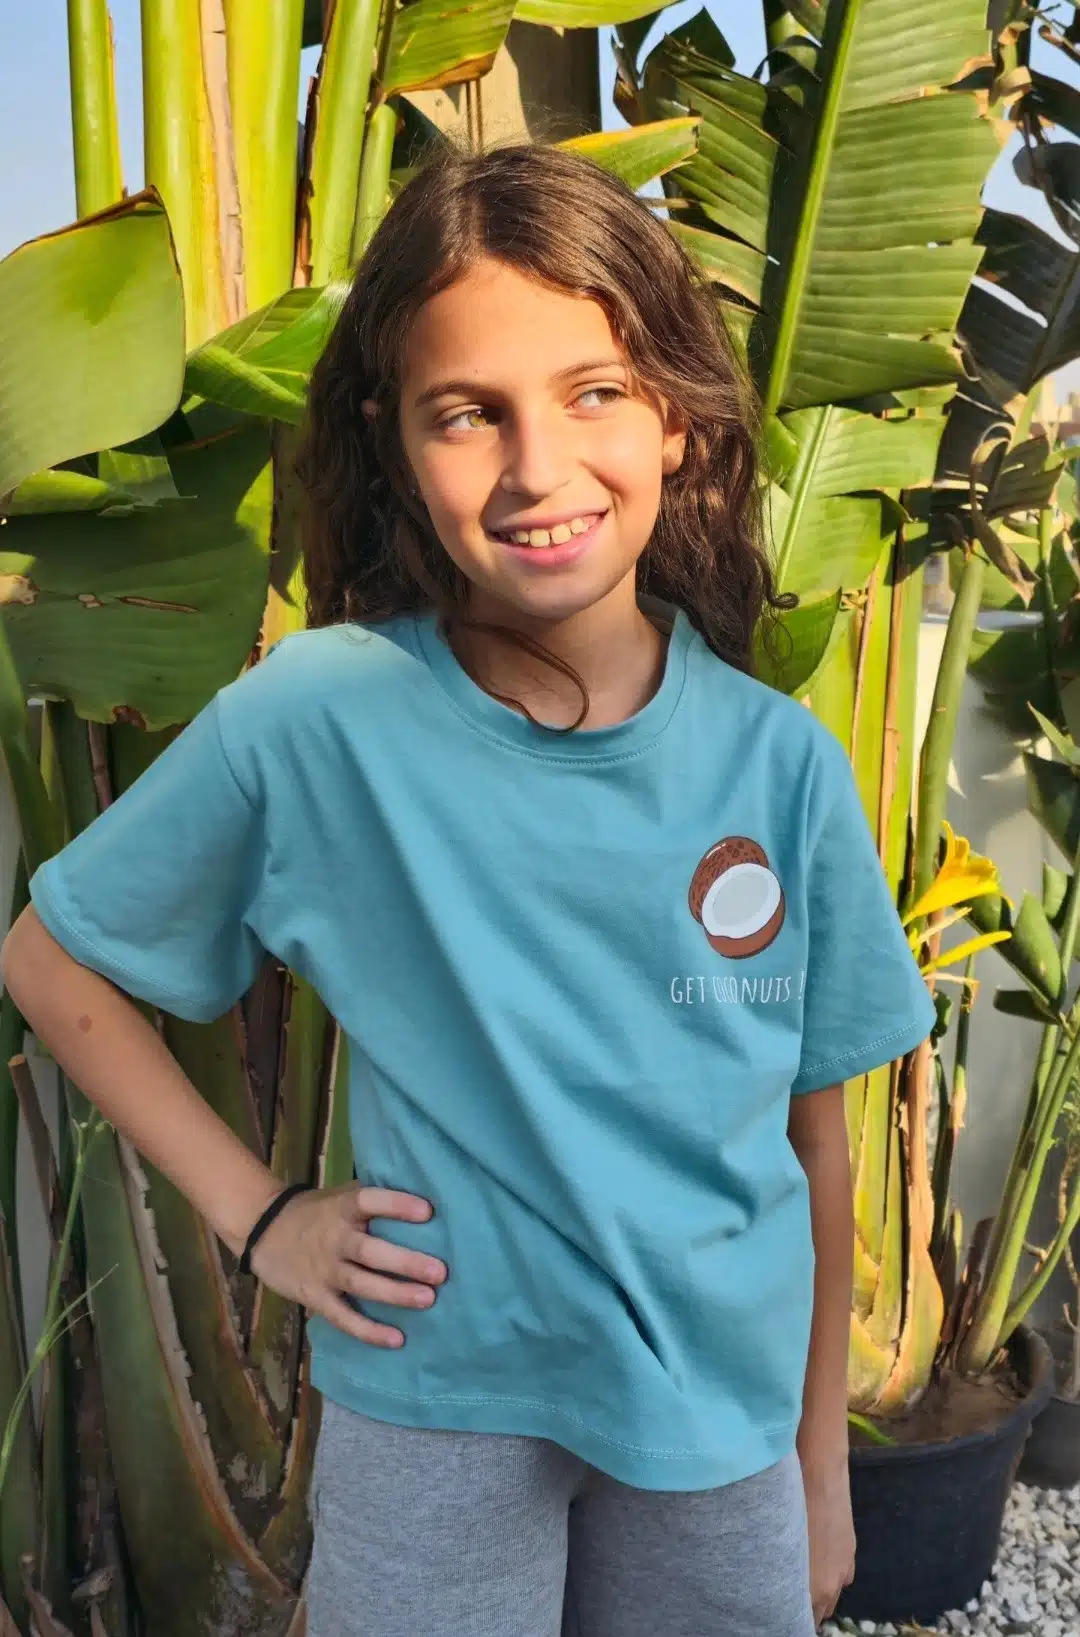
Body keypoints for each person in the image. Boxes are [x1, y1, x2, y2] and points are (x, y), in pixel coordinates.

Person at [2, 143, 936, 1637]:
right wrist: (260, 1217)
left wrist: (821, 1466)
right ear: (392, 442)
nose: (536, 467)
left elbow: (815, 1145)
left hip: (723, 1422)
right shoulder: (320, 719)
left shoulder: (784, 766)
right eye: (468, 412)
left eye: (593, 391)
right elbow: (53, 961)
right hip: (434, 1406)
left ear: (677, 421)